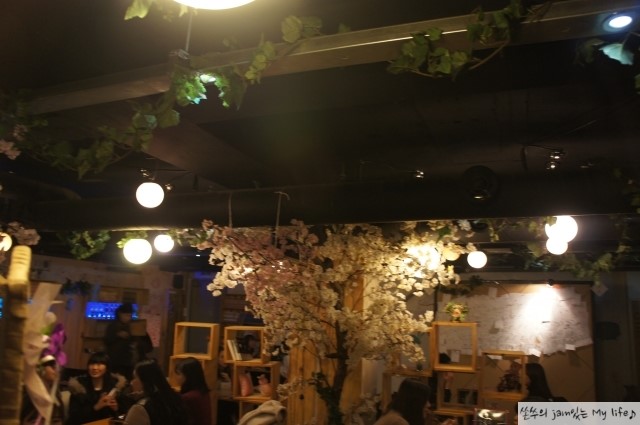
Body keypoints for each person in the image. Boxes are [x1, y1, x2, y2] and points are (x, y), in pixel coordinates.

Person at [67, 352, 128, 425]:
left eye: (99, 364)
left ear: (107, 367)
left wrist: (116, 408)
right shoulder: (78, 387)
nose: (95, 368)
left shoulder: (115, 386)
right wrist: (96, 407)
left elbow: (124, 416)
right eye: (92, 364)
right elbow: (74, 417)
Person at [123, 359, 188, 425]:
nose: (132, 382)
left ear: (145, 381)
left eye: (134, 377)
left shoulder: (139, 409)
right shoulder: (175, 399)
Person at [374, 378, 456, 425]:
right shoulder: (397, 422)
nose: (428, 405)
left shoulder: (394, 415)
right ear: (415, 402)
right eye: (425, 400)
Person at [104, 302, 152, 380]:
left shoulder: (136, 327)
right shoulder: (113, 327)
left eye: (130, 315)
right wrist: (117, 335)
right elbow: (107, 341)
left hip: (133, 364)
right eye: (126, 315)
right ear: (120, 314)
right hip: (116, 364)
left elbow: (148, 346)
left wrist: (137, 343)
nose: (128, 318)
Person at [20, 355, 66, 425]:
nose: (56, 370)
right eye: (52, 366)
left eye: (57, 367)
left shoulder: (55, 394)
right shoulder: (28, 394)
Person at [175, 357, 212, 425]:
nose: (176, 377)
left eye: (179, 374)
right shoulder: (202, 392)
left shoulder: (188, 397)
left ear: (188, 376)